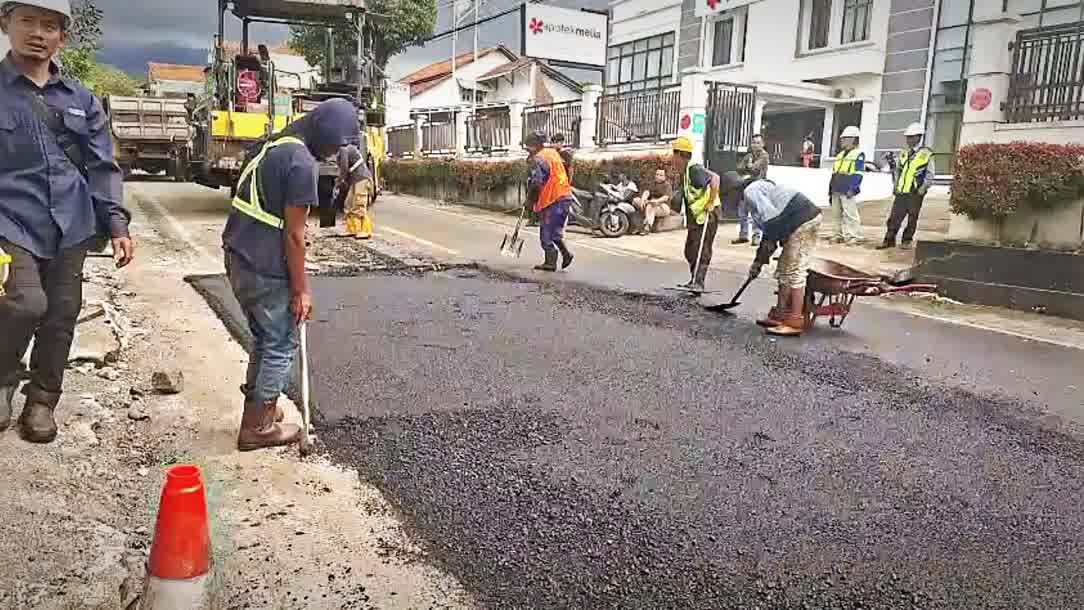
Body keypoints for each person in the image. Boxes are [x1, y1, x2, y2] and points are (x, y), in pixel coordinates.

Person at [0, 0, 133, 443]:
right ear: (7, 24)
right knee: (23, 304)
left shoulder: (81, 100)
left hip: (71, 223)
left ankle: (42, 401)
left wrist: (116, 225)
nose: (38, 32)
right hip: (9, 221)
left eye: (50, 25)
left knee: (61, 314)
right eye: (28, 21)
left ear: (63, 37)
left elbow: (101, 167)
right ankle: (2, 382)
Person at [222, 98, 359, 451]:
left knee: (263, 339)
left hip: (238, 255)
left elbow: (277, 212)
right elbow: (295, 236)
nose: (332, 153)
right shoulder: (302, 162)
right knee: (281, 343)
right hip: (264, 265)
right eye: (333, 145)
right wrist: (302, 290)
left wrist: (290, 228)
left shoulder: (275, 144)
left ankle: (259, 409)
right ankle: (258, 427)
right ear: (321, 132)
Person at [737, 175, 823, 337]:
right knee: (783, 268)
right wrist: (761, 258)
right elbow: (771, 230)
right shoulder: (763, 188)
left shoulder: (751, 191)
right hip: (799, 220)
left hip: (803, 220)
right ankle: (781, 314)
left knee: (794, 270)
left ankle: (795, 320)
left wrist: (759, 261)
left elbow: (772, 223)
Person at [671, 136, 721, 292]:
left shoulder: (694, 170)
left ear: (681, 155)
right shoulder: (685, 172)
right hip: (696, 216)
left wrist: (711, 202)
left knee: (702, 248)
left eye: (674, 154)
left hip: (709, 214)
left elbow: (715, 179)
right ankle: (694, 279)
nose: (673, 159)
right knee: (690, 250)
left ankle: (699, 282)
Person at [878, 122, 934, 250]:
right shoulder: (903, 153)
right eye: (907, 137)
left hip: (915, 192)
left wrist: (923, 188)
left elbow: (930, 174)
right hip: (902, 191)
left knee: (912, 218)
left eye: (911, 137)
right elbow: (897, 171)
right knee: (894, 218)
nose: (908, 140)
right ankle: (889, 240)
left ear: (919, 137)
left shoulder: (926, 154)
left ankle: (906, 241)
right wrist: (896, 185)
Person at [524, 130, 574, 271]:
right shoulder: (552, 153)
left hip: (553, 199)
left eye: (528, 146)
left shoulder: (539, 158)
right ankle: (566, 254)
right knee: (555, 232)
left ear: (534, 145)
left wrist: (529, 201)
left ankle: (550, 262)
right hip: (564, 196)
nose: (527, 149)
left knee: (546, 231)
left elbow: (536, 183)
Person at [828, 125, 865, 245]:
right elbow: (834, 173)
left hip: (847, 189)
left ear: (853, 139)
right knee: (836, 214)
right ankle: (837, 235)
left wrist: (853, 188)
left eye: (845, 138)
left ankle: (855, 236)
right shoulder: (839, 155)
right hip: (836, 188)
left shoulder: (858, 154)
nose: (842, 141)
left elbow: (858, 174)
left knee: (850, 214)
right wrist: (830, 190)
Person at [734, 133, 769, 245]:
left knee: (756, 212)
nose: (755, 145)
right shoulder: (749, 155)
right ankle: (743, 235)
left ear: (762, 144)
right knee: (742, 211)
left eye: (758, 143)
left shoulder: (764, 155)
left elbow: (755, 168)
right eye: (754, 142)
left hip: (758, 187)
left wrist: (749, 166)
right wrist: (747, 167)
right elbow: (739, 168)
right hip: (747, 185)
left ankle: (757, 236)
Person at [336, 140, 374, 239]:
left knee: (359, 203)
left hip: (361, 178)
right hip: (354, 179)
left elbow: (344, 168)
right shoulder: (343, 149)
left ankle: (365, 230)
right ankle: (352, 229)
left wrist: (339, 181)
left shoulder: (343, 149)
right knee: (349, 203)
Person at [633, 168, 673, 234]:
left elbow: (665, 197)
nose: (658, 176)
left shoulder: (667, 185)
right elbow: (647, 192)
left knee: (650, 205)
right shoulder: (652, 184)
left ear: (664, 176)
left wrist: (656, 201)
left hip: (663, 206)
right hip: (651, 203)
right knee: (636, 200)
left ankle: (647, 227)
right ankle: (638, 225)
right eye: (657, 174)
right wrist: (643, 199)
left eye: (660, 175)